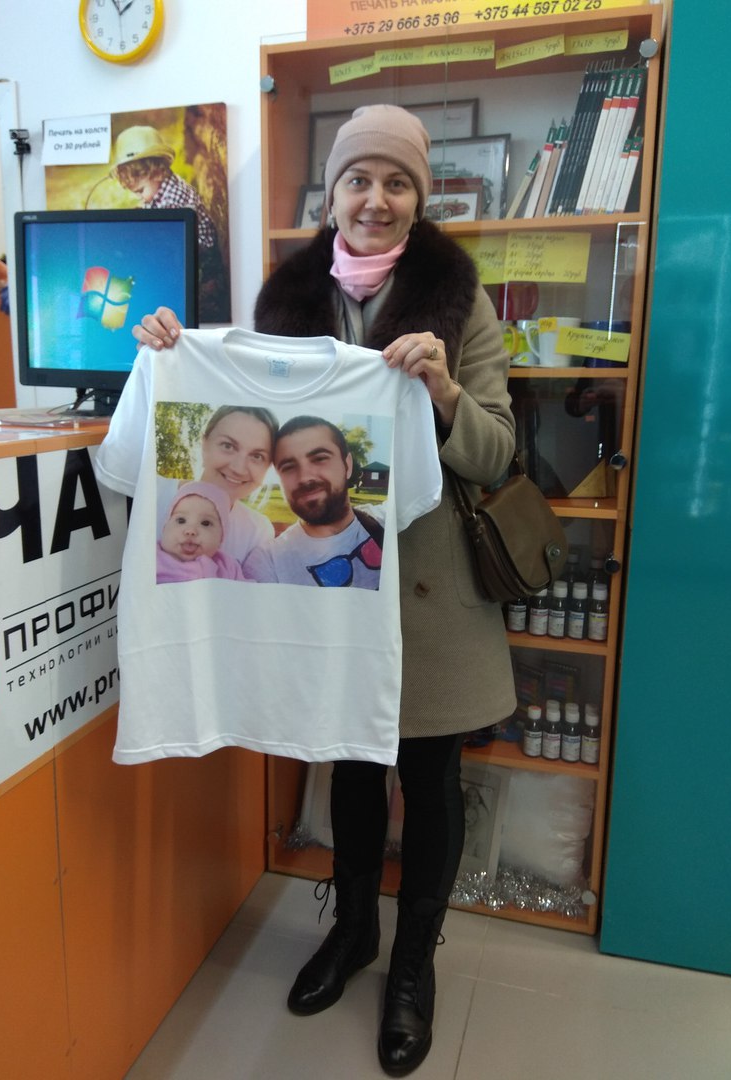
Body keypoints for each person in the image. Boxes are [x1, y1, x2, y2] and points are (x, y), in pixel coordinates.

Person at [133, 104, 516, 1077]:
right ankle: (352, 931)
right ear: (332, 194)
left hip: (428, 593)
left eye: (397, 183)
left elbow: (497, 452)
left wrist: (444, 394)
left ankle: (415, 963)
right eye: (358, 180)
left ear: (419, 197)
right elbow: (236, 409)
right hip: (325, 592)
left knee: (428, 780)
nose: (375, 200)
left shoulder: (461, 304)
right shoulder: (286, 299)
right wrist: (171, 346)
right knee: (346, 762)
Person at [244, 416, 384, 589]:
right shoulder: (268, 563)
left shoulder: (385, 521)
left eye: (319, 458)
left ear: (347, 466)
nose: (305, 477)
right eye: (288, 467)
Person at [110, 125, 229, 322]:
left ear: (157, 172)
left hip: (198, 256)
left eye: (140, 191)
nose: (141, 198)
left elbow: (167, 245)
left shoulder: (173, 201)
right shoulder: (161, 187)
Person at [158, 404, 278, 573]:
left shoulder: (257, 531)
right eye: (228, 446)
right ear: (204, 445)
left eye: (257, 456)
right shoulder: (153, 493)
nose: (238, 468)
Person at [157, 480, 247, 583]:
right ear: (164, 528)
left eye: (205, 523)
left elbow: (248, 590)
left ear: (221, 537)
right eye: (181, 520)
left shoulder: (227, 566)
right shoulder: (152, 558)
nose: (191, 531)